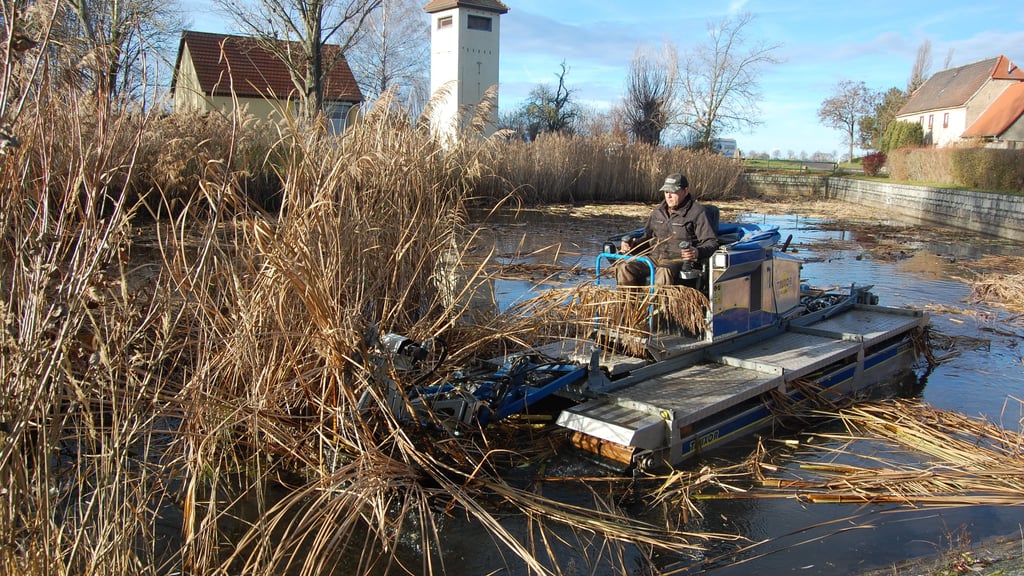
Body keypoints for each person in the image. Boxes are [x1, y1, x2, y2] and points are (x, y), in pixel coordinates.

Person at [616, 172, 719, 287]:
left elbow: (711, 243)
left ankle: (661, 299)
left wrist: (697, 252)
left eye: (673, 192)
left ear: (685, 191)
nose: (668, 196)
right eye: (666, 192)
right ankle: (628, 299)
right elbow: (647, 238)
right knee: (624, 267)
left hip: (678, 260)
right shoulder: (657, 212)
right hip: (654, 257)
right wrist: (632, 245)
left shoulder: (698, 212)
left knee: (663, 271)